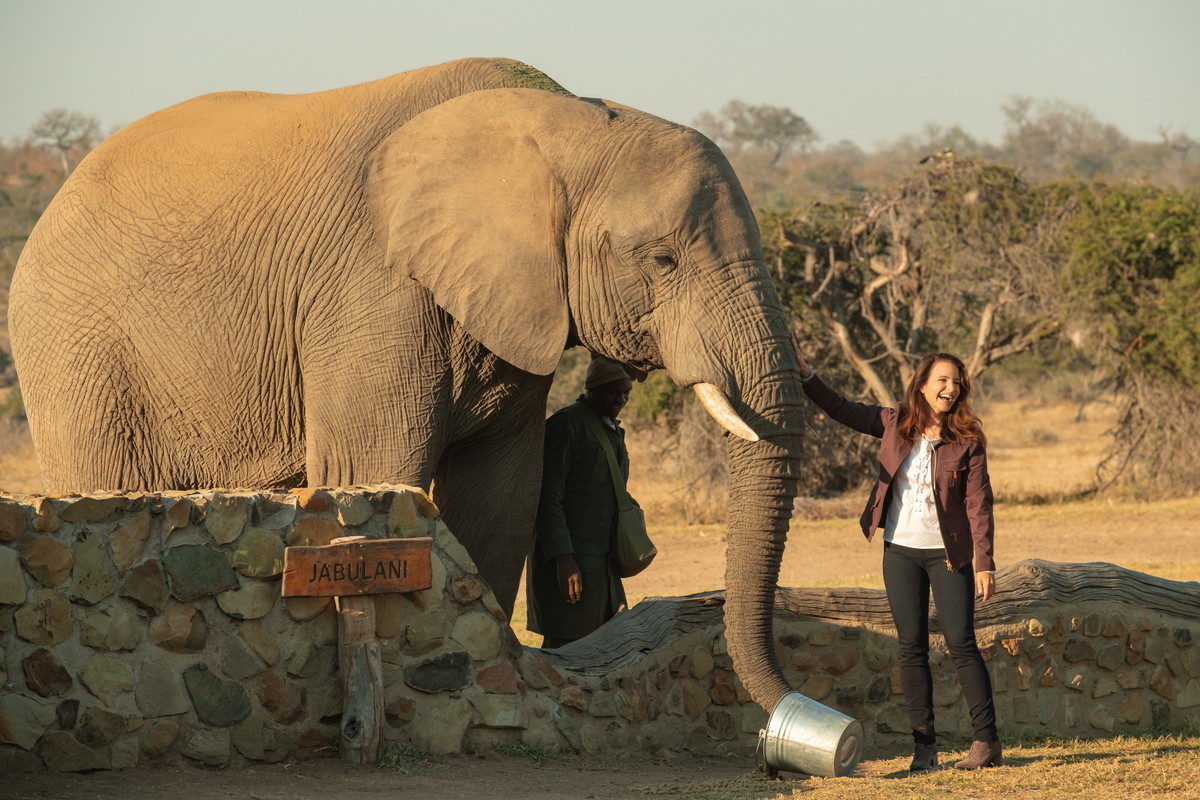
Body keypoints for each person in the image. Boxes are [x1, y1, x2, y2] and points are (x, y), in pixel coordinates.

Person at [794, 342, 1002, 771]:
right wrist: (807, 376)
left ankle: (986, 744)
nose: (950, 388)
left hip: (949, 555)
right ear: (922, 386)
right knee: (911, 648)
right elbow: (842, 409)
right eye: (942, 380)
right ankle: (924, 750)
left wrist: (984, 560)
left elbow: (979, 503)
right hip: (900, 553)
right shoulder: (895, 422)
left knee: (962, 644)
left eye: (956, 382)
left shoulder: (967, 442)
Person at [526, 355, 635, 649]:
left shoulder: (612, 428)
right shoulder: (567, 425)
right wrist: (563, 558)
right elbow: (548, 497)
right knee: (566, 648)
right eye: (614, 391)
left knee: (602, 644)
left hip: (602, 562)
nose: (621, 399)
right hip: (572, 559)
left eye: (626, 392)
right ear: (593, 388)